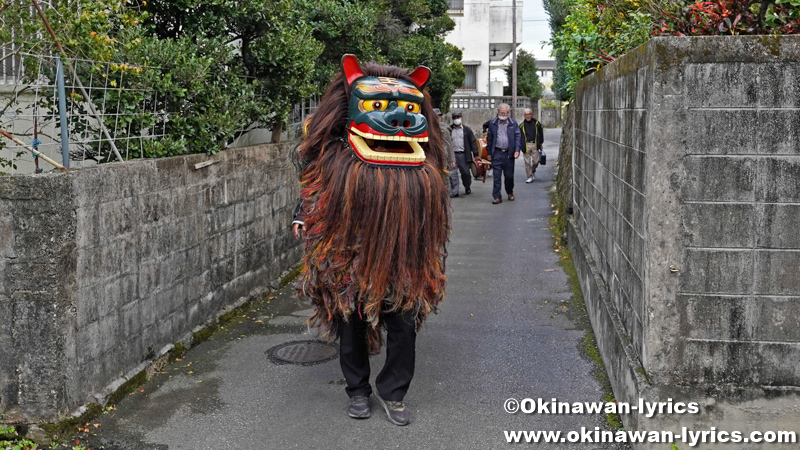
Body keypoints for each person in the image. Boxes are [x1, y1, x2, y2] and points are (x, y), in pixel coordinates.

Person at [292, 54, 450, 427]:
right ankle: (358, 390)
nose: (398, 119)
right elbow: (313, 183)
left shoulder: (425, 164)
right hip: (350, 257)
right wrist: (302, 215)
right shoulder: (334, 157)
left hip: (406, 257)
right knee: (351, 321)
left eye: (409, 108)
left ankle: (393, 392)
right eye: (378, 106)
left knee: (404, 325)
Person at [485, 103, 522, 204]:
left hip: (509, 154)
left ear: (508, 113)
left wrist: (517, 150)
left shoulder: (513, 124)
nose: (503, 114)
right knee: (496, 176)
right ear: (498, 112)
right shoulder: (493, 123)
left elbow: (518, 137)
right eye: (501, 113)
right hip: (496, 153)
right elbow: (490, 138)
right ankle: (497, 196)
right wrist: (489, 152)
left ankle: (510, 192)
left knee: (509, 176)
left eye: (505, 113)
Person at [448, 111, 478, 197]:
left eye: (458, 117)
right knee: (453, 174)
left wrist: (476, 154)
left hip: (464, 155)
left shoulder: (467, 130)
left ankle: (467, 186)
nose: (457, 119)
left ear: (462, 118)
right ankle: (455, 191)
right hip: (453, 155)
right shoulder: (450, 130)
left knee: (466, 173)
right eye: (455, 118)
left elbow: (473, 142)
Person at [434, 108, 457, 193]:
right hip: (432, 158)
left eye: (438, 117)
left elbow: (449, 145)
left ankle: (444, 194)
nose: (437, 118)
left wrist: (452, 160)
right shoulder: (427, 129)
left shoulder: (444, 130)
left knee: (444, 178)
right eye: (435, 117)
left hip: (443, 158)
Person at [520, 108, 544, 183]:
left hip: (535, 144)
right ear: (524, 115)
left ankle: (532, 170)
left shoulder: (537, 124)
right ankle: (529, 176)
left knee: (536, 161)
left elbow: (540, 134)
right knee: (527, 162)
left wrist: (540, 143)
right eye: (526, 114)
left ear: (531, 114)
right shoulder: (521, 126)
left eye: (529, 114)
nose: (528, 116)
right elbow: (519, 137)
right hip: (526, 145)